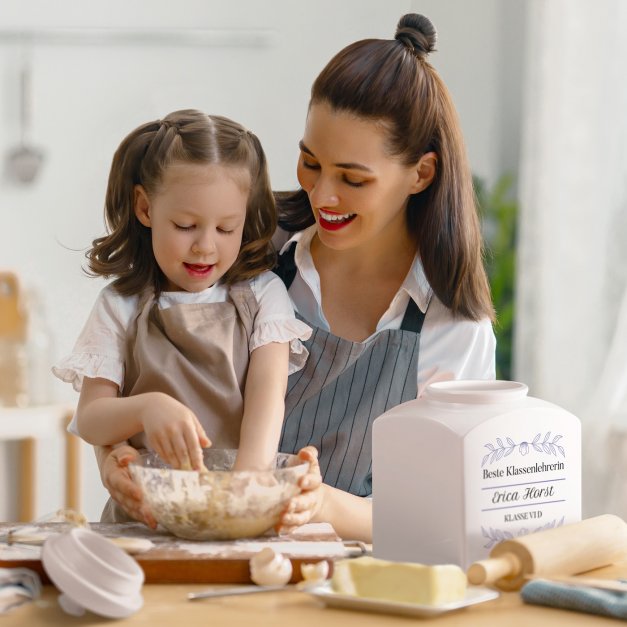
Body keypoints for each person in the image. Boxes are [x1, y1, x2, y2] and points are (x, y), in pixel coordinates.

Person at [96, 13, 496, 541]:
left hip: (347, 582)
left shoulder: (453, 327)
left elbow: (446, 514)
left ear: (420, 174)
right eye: (310, 163)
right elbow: (137, 365)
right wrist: (113, 460)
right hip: (191, 545)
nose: (322, 195)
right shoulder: (248, 253)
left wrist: (323, 502)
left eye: (353, 179)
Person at [53, 109, 312, 521]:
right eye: (186, 225)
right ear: (145, 208)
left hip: (233, 511)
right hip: (143, 519)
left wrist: (242, 496)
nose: (205, 247)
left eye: (227, 229)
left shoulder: (264, 297)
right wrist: (146, 408)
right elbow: (90, 420)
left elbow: (267, 403)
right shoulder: (120, 305)